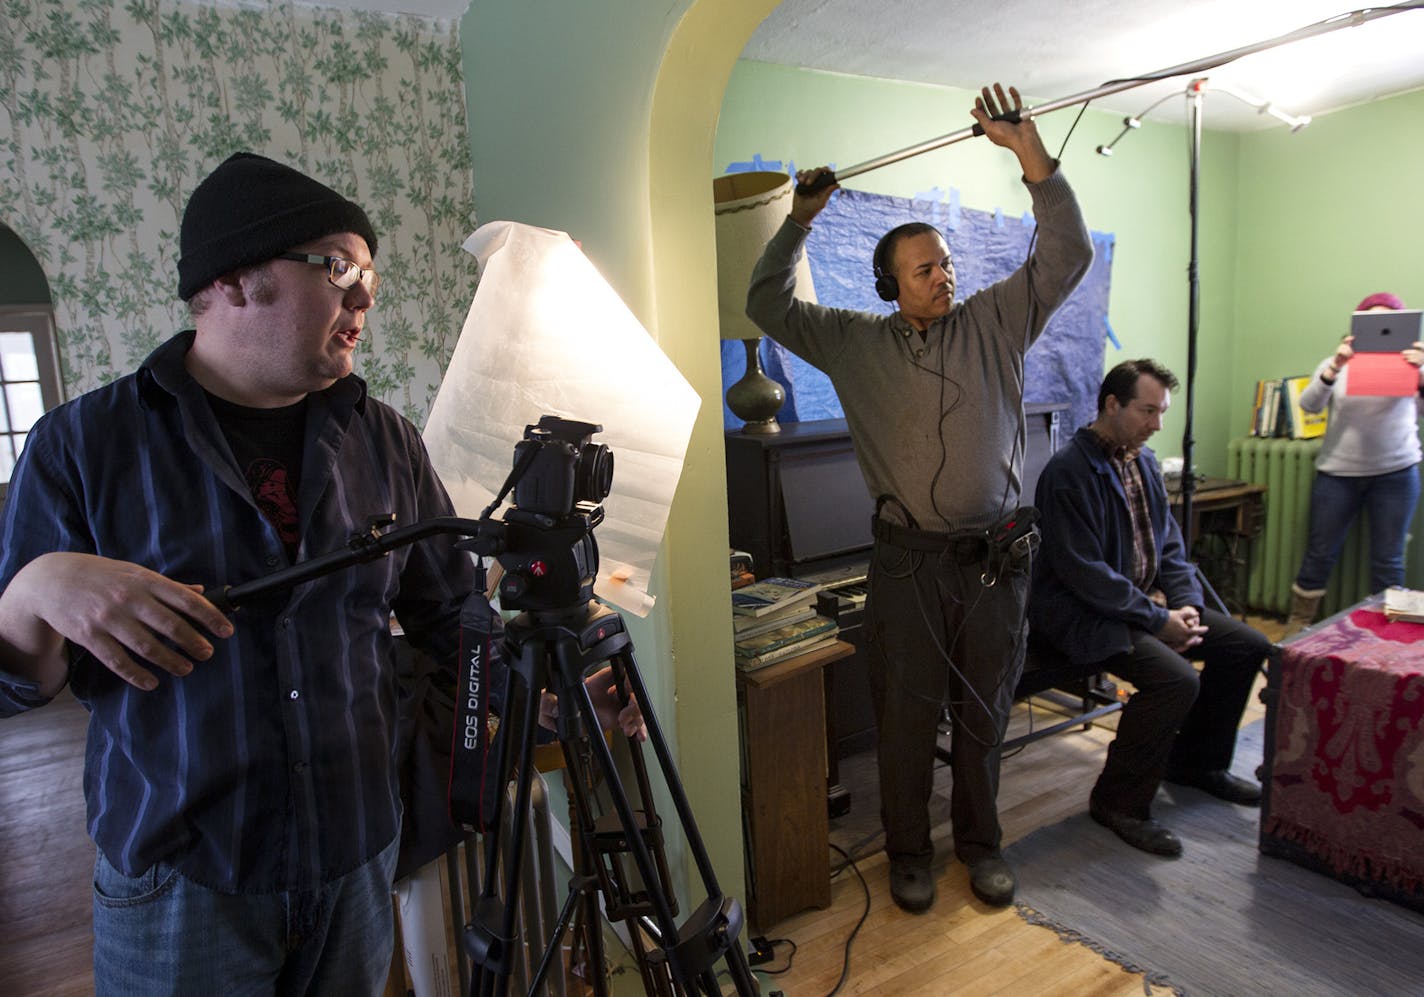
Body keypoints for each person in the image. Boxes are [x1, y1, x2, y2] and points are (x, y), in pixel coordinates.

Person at [0, 152, 642, 994]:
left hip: (355, 861)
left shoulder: (385, 439)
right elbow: (19, 685)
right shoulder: (82, 445)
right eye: (338, 267)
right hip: (184, 882)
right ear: (232, 280)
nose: (365, 295)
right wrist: (36, 586)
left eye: (369, 272)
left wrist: (545, 707)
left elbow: (456, 620)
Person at [745, 83, 1093, 913]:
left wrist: (1028, 154)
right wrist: (799, 219)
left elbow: (1066, 252)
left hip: (994, 564)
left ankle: (980, 843)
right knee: (904, 719)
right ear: (889, 284)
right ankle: (908, 850)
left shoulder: (998, 320)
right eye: (926, 266)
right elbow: (765, 303)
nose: (945, 274)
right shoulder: (854, 342)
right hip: (906, 565)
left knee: (983, 715)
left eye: (947, 262)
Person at [1029, 359, 1273, 857]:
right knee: (1176, 679)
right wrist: (1159, 620)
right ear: (1111, 404)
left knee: (1247, 645)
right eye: (1148, 410)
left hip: (1136, 608)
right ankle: (1118, 802)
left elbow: (1172, 549)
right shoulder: (1067, 473)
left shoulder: (1142, 461)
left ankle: (1196, 765)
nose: (1158, 423)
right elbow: (1086, 575)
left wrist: (1186, 608)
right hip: (1082, 616)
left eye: (1162, 412)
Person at [1285, 292, 1424, 634]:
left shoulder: (1413, 365)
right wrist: (1335, 366)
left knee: (1388, 561)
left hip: (1397, 473)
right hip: (1338, 474)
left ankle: (1385, 635)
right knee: (1319, 553)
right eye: (1371, 321)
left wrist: (1420, 372)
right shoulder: (1338, 363)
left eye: (1388, 321)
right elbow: (1309, 405)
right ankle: (1297, 626)